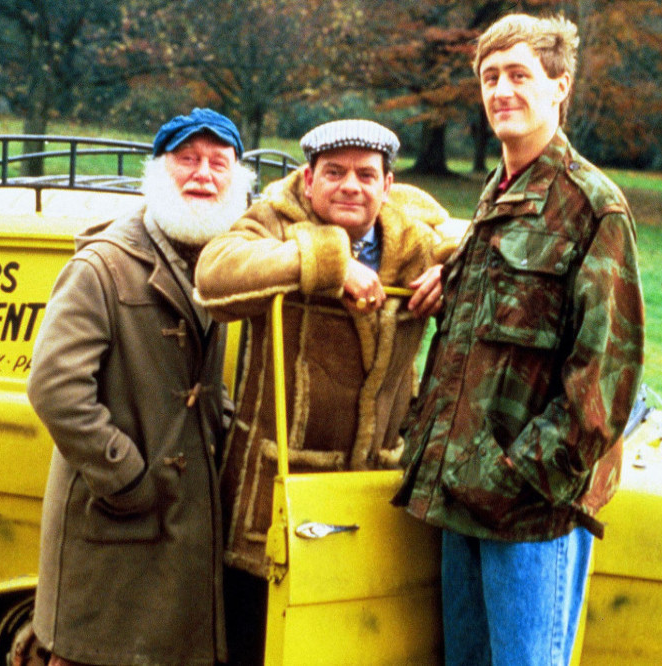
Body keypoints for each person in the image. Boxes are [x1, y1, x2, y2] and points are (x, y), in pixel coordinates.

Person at [393, 13, 646, 666]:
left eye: (519, 75)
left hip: (529, 513)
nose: (501, 90)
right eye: (489, 76)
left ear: (559, 85)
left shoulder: (592, 205)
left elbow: (606, 379)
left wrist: (519, 478)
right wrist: (453, 273)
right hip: (462, 497)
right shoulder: (498, 195)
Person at [194, 118, 459, 664]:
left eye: (366, 174)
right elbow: (214, 275)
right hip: (273, 504)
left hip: (370, 499)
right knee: (258, 646)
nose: (350, 186)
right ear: (308, 178)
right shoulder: (273, 221)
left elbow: (485, 238)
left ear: (388, 186)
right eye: (334, 173)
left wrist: (453, 274)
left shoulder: (415, 239)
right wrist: (324, 264)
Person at [26, 108, 253, 666]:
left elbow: (201, 383)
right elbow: (55, 387)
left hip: (179, 528)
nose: (203, 175)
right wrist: (127, 478)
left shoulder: (212, 260)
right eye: (187, 161)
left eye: (218, 163)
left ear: (237, 180)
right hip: (118, 525)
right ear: (157, 173)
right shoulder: (102, 267)